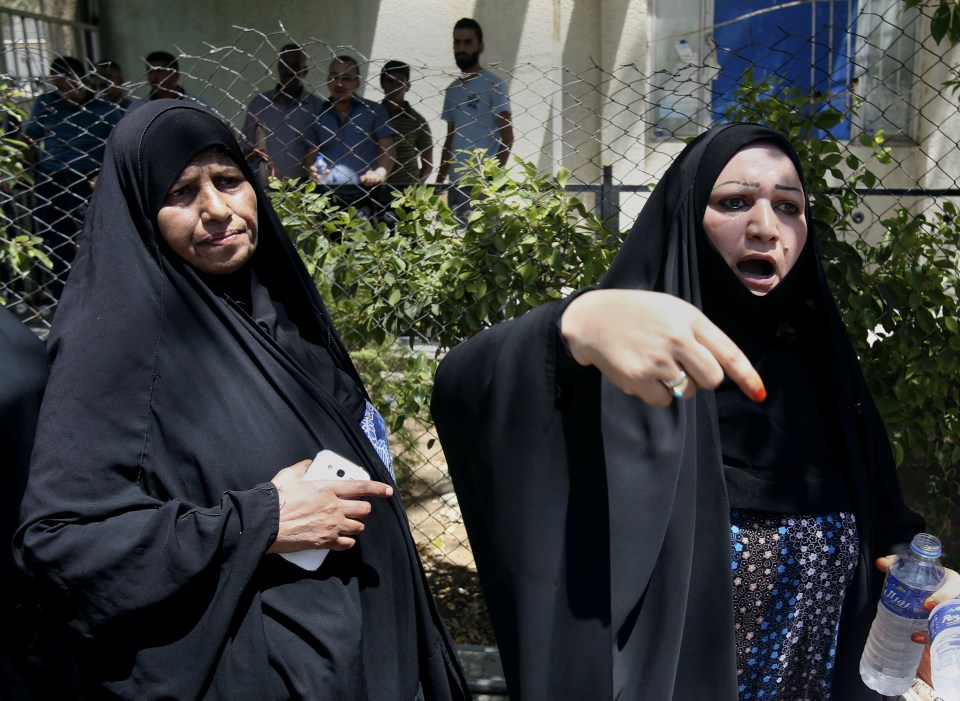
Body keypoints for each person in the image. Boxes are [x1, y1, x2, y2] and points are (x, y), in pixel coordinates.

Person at [431, 122, 960, 700]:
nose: (765, 228)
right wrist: (571, 326)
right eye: (735, 202)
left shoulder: (825, 369)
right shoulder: (626, 358)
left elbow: (882, 520)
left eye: (789, 207)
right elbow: (463, 389)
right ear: (687, 214)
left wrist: (924, 577)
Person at [14, 100, 470, 700]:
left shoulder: (272, 306)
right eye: (181, 192)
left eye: (229, 181)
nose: (217, 210)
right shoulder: (118, 344)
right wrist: (261, 519)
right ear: (140, 209)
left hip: (362, 650)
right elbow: (63, 541)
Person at [22, 55, 122, 300]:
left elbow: (120, 143)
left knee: (96, 237)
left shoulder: (104, 109)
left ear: (85, 80)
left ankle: (101, 292)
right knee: (55, 240)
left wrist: (105, 173)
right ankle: (63, 296)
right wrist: (24, 170)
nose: (67, 93)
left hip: (88, 179)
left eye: (72, 87)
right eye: (61, 88)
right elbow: (31, 137)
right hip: (52, 178)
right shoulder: (46, 104)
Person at [437, 18, 513, 222]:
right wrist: (438, 182)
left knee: (485, 248)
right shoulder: (452, 90)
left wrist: (491, 180)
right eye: (457, 42)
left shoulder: (494, 85)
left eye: (467, 42)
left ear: (480, 47)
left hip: (482, 185)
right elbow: (450, 139)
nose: (461, 48)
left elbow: (508, 138)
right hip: (455, 184)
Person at [304, 55, 396, 220]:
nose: (338, 83)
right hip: (327, 197)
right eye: (333, 77)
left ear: (357, 82)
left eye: (345, 78)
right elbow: (310, 153)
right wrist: (311, 169)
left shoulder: (374, 111)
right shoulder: (318, 114)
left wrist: (380, 173)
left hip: (364, 197)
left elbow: (389, 149)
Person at [242, 44, 324, 181]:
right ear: (278, 67)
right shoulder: (259, 104)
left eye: (295, 65)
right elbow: (246, 149)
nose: (289, 70)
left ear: (305, 71)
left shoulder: (317, 108)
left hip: (303, 189)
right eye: (284, 64)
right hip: (264, 187)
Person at [380, 60, 433, 187]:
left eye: (399, 83)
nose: (394, 88)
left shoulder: (417, 122)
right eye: (389, 81)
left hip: (406, 189)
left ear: (408, 86)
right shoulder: (372, 116)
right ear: (382, 84)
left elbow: (428, 164)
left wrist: (414, 188)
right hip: (375, 187)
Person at [128, 50, 202, 109]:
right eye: (149, 71)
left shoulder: (196, 105)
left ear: (175, 75)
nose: (153, 77)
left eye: (159, 71)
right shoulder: (138, 107)